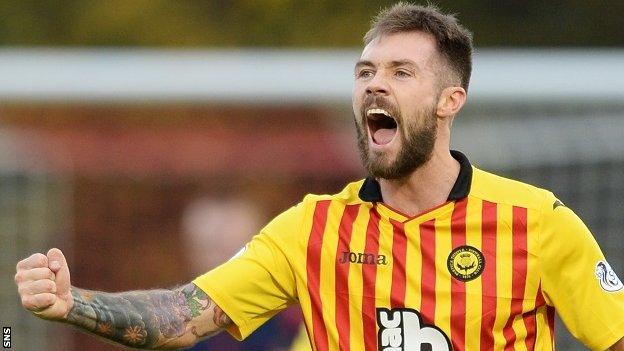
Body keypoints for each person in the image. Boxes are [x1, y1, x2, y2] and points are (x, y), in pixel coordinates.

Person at [14, 3, 624, 351]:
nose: (374, 83)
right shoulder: (313, 229)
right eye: (365, 71)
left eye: (402, 72)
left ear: (450, 100)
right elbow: (181, 316)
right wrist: (75, 304)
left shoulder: (536, 223)